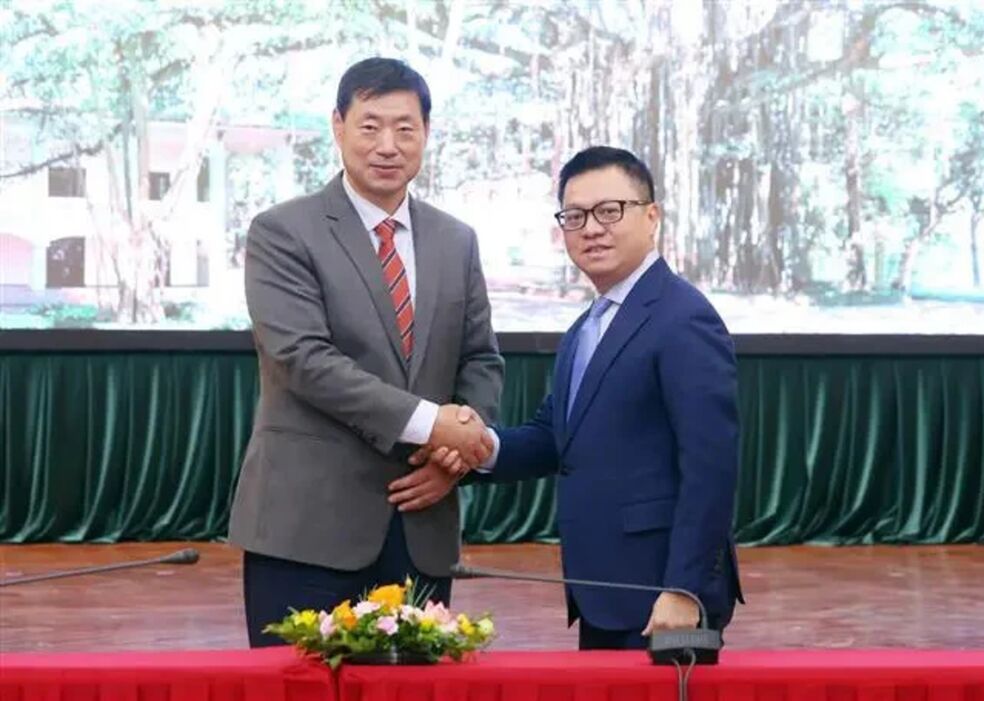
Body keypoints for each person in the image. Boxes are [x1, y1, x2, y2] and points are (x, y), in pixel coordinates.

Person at [400, 146, 743, 650]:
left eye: (610, 211)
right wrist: (477, 447)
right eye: (575, 216)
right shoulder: (589, 326)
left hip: (662, 596)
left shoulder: (683, 317)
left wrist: (683, 587)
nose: (592, 229)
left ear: (651, 217)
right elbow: (552, 437)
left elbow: (711, 468)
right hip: (605, 588)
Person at [228, 57, 503, 647]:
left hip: (420, 521)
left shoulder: (457, 240)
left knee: (413, 685)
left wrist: (454, 455)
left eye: (405, 128)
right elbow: (303, 359)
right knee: (296, 685)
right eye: (370, 125)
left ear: (426, 133)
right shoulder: (283, 231)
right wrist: (433, 425)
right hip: (306, 527)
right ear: (338, 126)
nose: (388, 145)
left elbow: (480, 358)